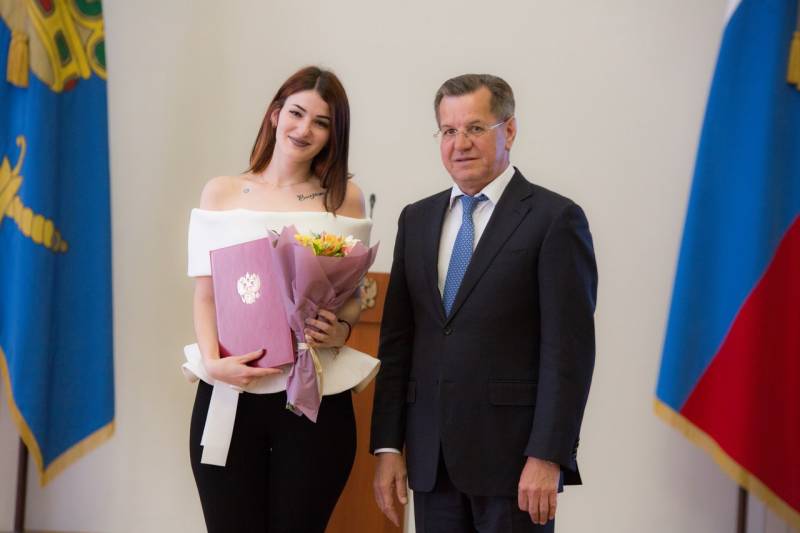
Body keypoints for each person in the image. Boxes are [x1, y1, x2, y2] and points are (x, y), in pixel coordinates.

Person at [370, 74, 597, 533]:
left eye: (475, 128)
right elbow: (397, 342)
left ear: (508, 130)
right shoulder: (416, 219)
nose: (460, 144)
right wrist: (388, 446)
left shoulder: (555, 219)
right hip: (432, 463)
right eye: (448, 131)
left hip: (514, 466)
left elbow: (568, 352)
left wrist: (548, 454)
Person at [185, 66, 377, 533]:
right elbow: (205, 295)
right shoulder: (222, 192)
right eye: (296, 113)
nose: (303, 129)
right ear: (275, 115)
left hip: (314, 393)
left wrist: (341, 329)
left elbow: (352, 298)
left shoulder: (344, 199)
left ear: (333, 134)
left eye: (321, 122)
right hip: (232, 388)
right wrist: (213, 363)